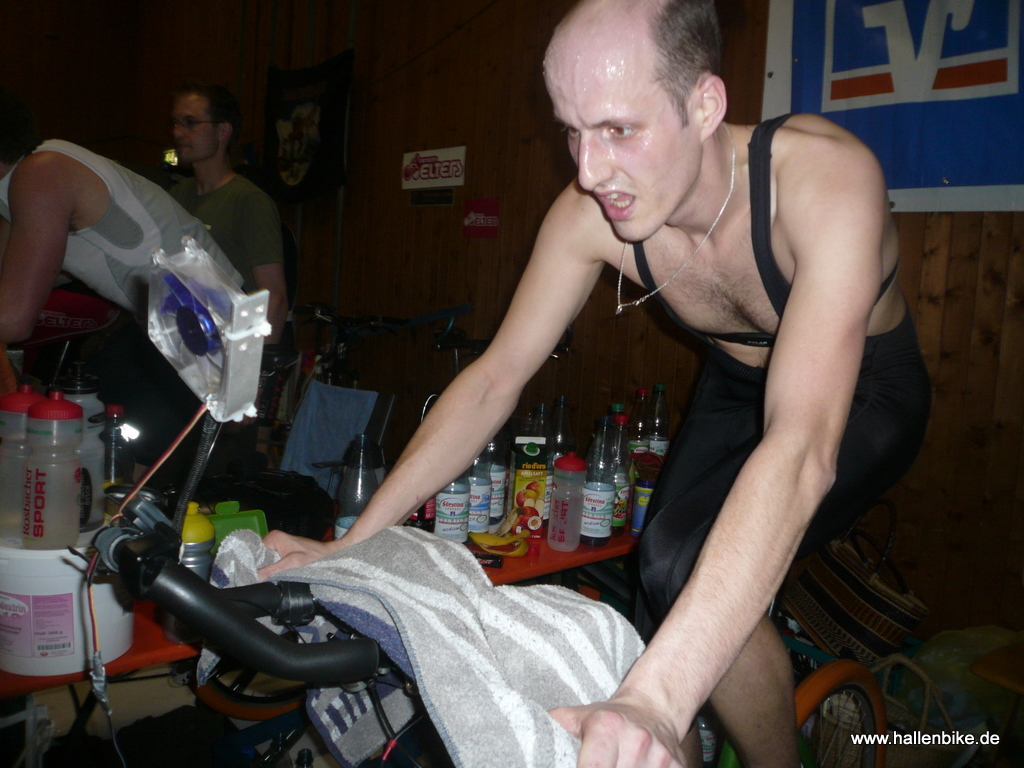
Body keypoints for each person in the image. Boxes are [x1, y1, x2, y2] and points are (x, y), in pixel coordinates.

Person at [260, 0, 930, 765]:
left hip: (864, 391)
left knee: (681, 561)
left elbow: (802, 443)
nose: (588, 171)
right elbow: (492, 381)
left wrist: (654, 700)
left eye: (618, 129)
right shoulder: (591, 212)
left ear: (705, 105)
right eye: (572, 132)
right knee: (657, 576)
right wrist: (351, 546)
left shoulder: (824, 179)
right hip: (737, 383)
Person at [0, 88, 245, 468]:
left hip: (205, 322)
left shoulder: (40, 174)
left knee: (99, 432)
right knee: (94, 426)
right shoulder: (27, 177)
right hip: (171, 321)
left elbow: (12, 319)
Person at [169, 81, 288, 344]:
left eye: (190, 122)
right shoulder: (176, 196)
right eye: (176, 122)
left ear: (223, 131)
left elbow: (274, 298)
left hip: (228, 344)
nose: (178, 132)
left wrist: (250, 361)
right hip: (185, 341)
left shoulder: (248, 200)